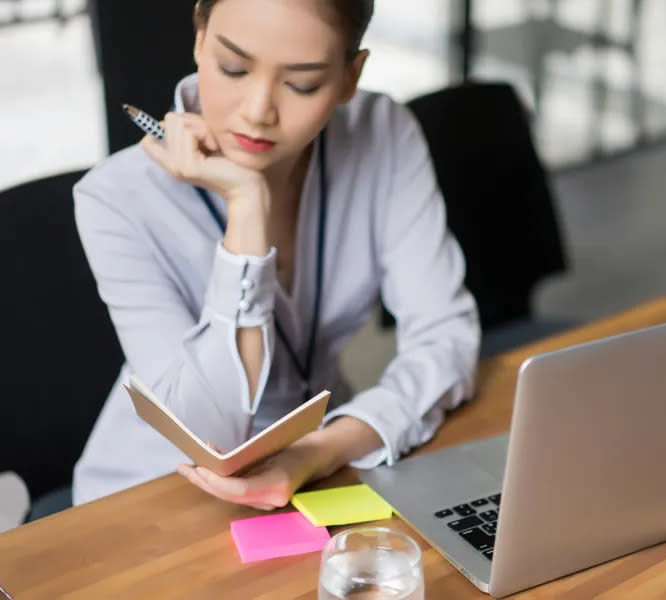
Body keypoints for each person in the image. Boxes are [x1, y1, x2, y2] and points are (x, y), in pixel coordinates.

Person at [72, 0, 480, 510]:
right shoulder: (115, 199)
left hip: (316, 477)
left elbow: (447, 337)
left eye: (303, 83)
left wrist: (322, 450)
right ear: (200, 39)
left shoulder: (383, 133)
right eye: (234, 68)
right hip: (155, 497)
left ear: (350, 77)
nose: (258, 111)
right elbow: (212, 435)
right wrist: (247, 208)